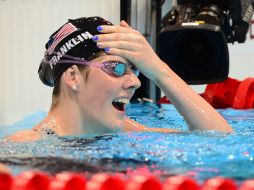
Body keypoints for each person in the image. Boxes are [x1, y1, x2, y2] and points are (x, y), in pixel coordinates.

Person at [8, 17, 233, 142]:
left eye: (136, 71)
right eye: (116, 68)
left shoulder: (120, 129)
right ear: (73, 77)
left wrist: (158, 70)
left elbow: (219, 139)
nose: (135, 82)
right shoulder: (29, 144)